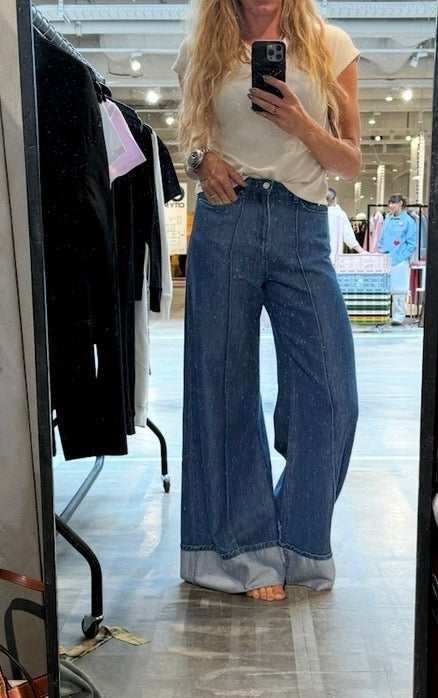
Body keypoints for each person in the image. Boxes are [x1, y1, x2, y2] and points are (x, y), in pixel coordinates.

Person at [173, 0, 361, 602]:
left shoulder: (330, 46)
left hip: (303, 224)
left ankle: (299, 540)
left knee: (332, 395)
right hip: (226, 218)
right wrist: (202, 162)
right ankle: (243, 550)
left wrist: (303, 124)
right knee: (223, 389)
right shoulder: (203, 49)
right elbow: (192, 145)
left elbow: (351, 161)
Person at [378, 193, 416, 325]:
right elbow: (382, 237)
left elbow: (411, 244)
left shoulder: (409, 221)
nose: (391, 205)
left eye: (393, 203)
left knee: (399, 291)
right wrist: (381, 249)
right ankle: (382, 315)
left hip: (400, 260)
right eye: (390, 203)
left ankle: (398, 317)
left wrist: (400, 257)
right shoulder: (387, 220)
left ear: (401, 203)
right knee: (384, 288)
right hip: (385, 259)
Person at [325, 187, 366, 264]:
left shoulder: (315, 213)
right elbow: (348, 236)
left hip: (317, 259)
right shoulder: (339, 214)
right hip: (334, 259)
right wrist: (362, 251)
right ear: (334, 199)